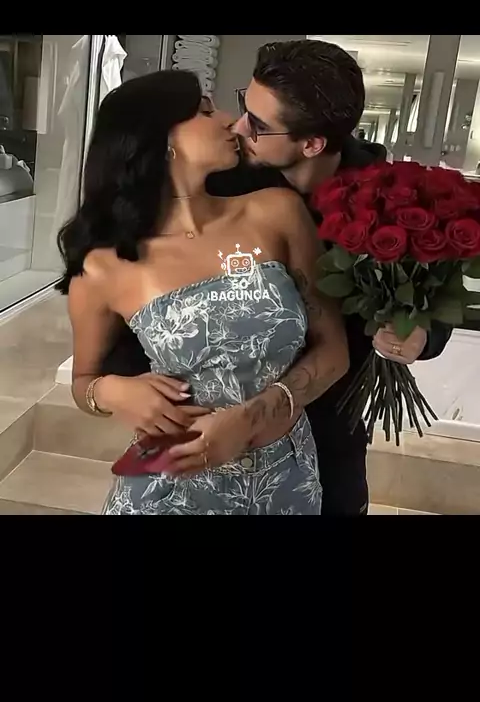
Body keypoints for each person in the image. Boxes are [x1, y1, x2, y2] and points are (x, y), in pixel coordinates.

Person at [101, 40, 452, 516]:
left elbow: (433, 287)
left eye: (259, 124)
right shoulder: (224, 179)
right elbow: (143, 292)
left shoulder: (392, 196)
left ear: (312, 144)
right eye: (244, 104)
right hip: (206, 428)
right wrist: (124, 387)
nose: (238, 126)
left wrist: (419, 335)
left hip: (331, 416)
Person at [58, 69, 349, 516]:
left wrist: (251, 418)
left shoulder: (276, 213)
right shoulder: (104, 267)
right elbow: (84, 381)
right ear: (162, 139)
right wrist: (112, 391)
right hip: (169, 490)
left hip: (286, 478)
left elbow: (334, 352)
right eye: (204, 110)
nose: (231, 120)